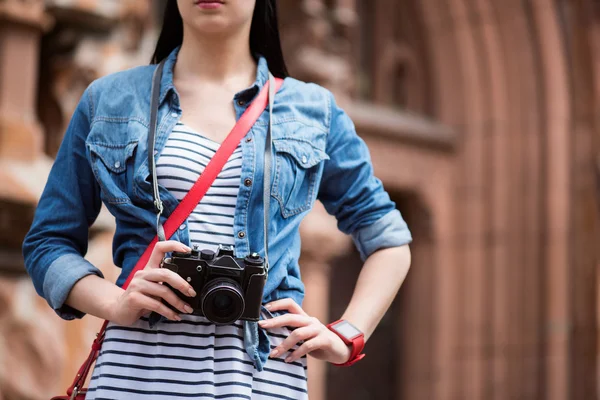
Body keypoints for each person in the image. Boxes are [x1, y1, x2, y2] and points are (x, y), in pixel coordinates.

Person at [23, 0, 412, 398]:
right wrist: (115, 301)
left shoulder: (313, 111)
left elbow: (389, 240)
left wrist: (345, 336)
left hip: (263, 378)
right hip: (138, 375)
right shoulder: (109, 100)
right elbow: (47, 243)